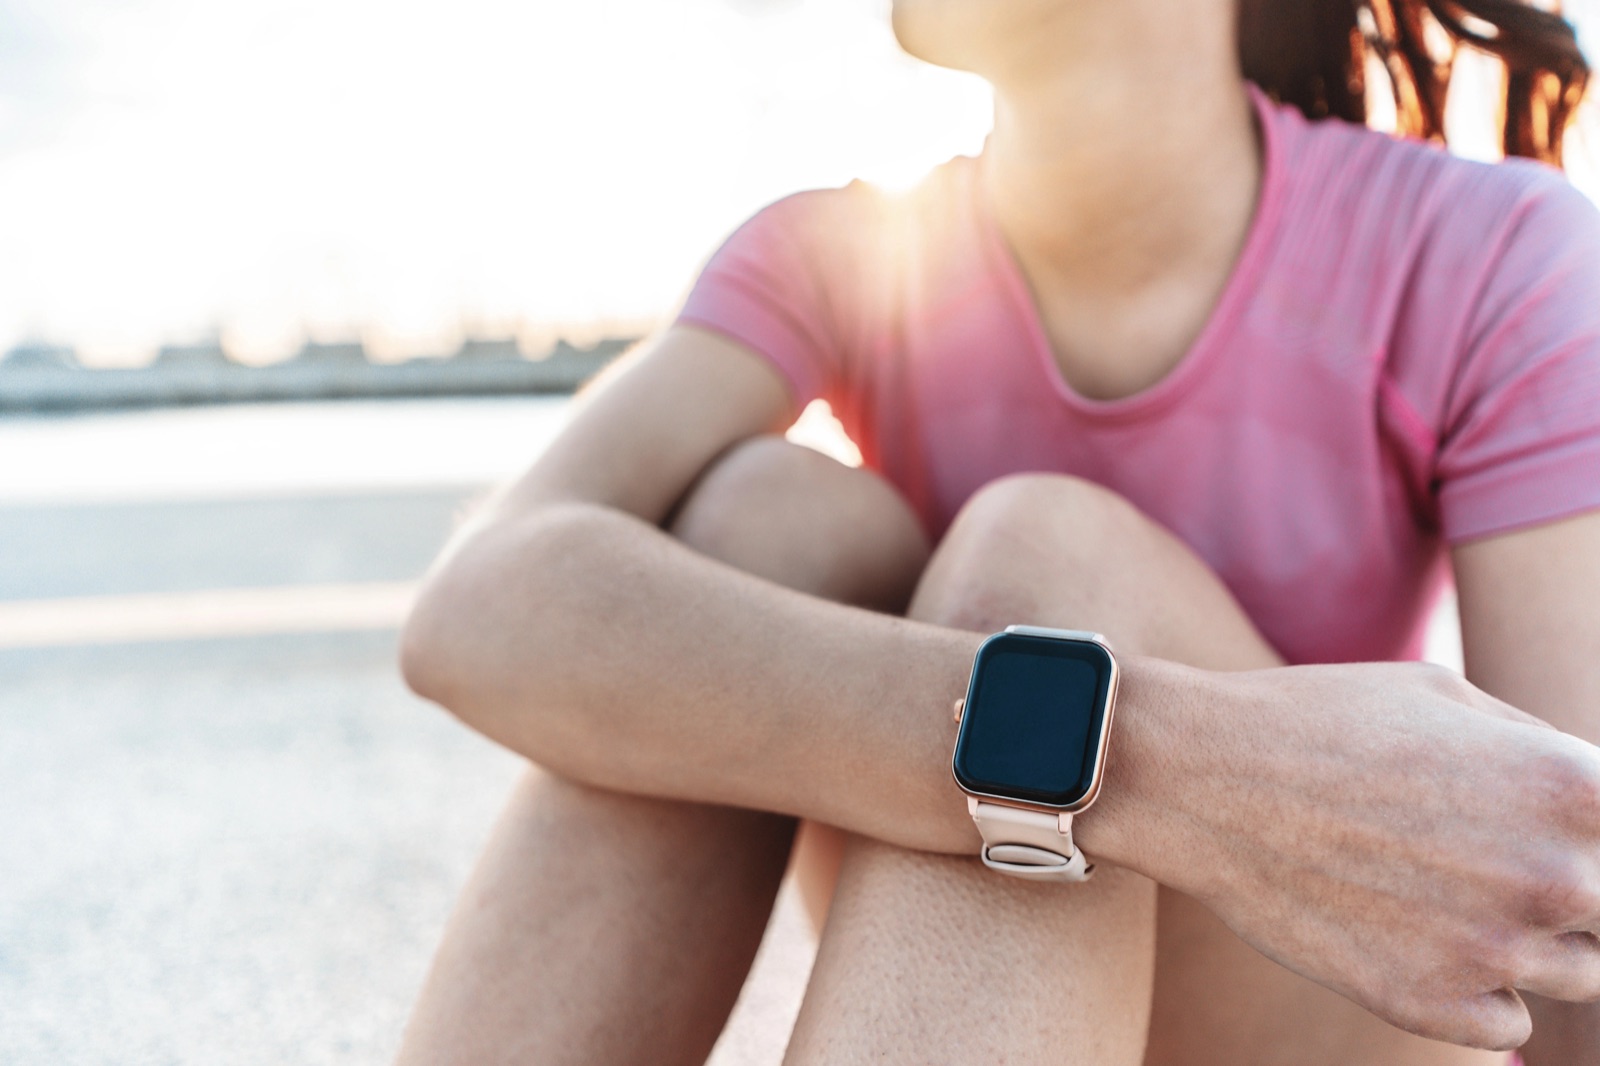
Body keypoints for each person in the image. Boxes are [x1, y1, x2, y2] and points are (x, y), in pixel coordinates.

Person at [392, 0, 1600, 1062]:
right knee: (768, 516)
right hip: (982, 1005)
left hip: (1315, 1013)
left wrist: (1125, 766)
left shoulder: (1490, 252)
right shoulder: (841, 256)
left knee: (1047, 553)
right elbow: (479, 603)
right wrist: (1180, 771)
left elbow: (1572, 925)